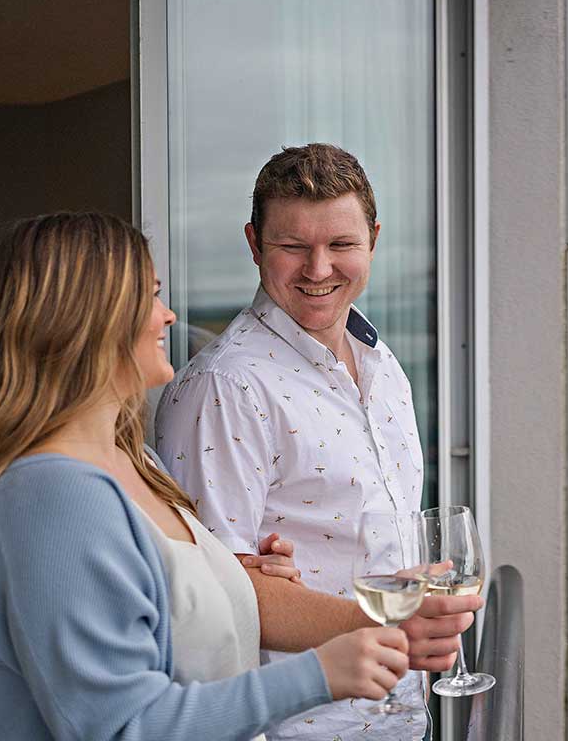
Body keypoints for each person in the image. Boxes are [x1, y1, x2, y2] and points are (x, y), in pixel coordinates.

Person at [0, 212, 411, 740]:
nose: (169, 315)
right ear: (86, 318)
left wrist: (240, 580)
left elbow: (164, 625)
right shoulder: (53, 494)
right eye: (149, 297)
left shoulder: (134, 463)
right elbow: (122, 727)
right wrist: (320, 674)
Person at [156, 144, 481, 739]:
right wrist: (398, 622)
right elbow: (211, 601)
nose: (319, 268)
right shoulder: (225, 387)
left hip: (400, 715)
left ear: (374, 240)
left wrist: (416, 596)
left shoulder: (381, 363)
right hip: (298, 726)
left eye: (341, 245)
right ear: (254, 245)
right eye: (293, 247)